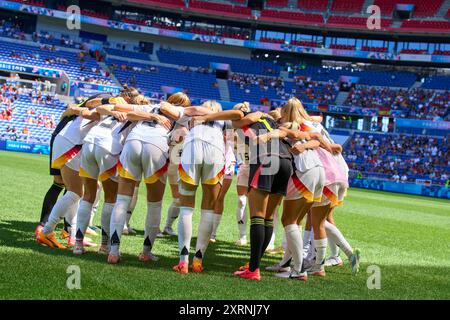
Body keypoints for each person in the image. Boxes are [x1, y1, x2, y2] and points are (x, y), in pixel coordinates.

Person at [173, 101, 243, 274]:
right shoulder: (224, 121)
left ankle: (183, 261)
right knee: (209, 208)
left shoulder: (191, 114)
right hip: (215, 150)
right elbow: (239, 115)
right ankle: (198, 260)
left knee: (186, 208)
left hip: (192, 148)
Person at [231, 102, 293, 281]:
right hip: (286, 161)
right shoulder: (269, 121)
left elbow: (244, 122)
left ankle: (253, 269)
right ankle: (254, 264)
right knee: (268, 216)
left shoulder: (248, 119)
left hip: (266, 157)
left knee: (257, 216)